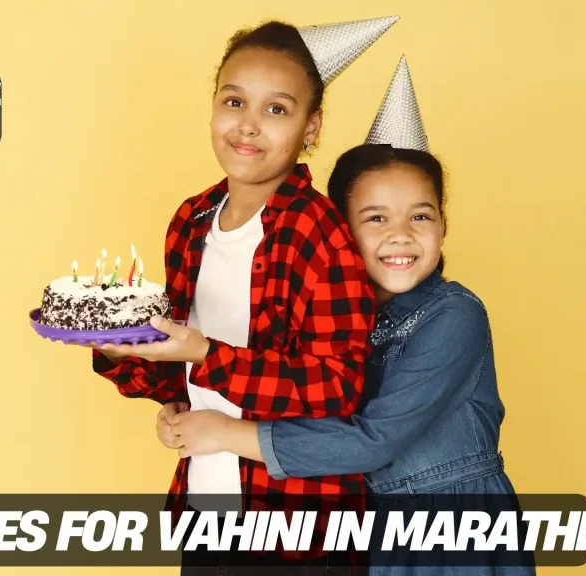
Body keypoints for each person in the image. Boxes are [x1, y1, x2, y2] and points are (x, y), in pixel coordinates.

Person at [160, 58, 534, 576]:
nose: (399, 235)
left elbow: (372, 440)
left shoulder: (454, 316)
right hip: (372, 530)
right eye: (375, 218)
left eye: (420, 216)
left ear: (443, 225)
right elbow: (293, 392)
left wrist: (222, 433)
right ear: (341, 232)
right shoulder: (336, 318)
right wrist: (184, 406)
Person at [86, 20, 376, 574]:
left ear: (311, 126)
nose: (248, 126)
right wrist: (125, 353)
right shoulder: (190, 220)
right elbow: (179, 372)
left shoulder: (319, 233)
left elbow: (336, 387)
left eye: (277, 110)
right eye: (235, 100)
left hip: (297, 526)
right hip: (206, 506)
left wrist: (204, 355)